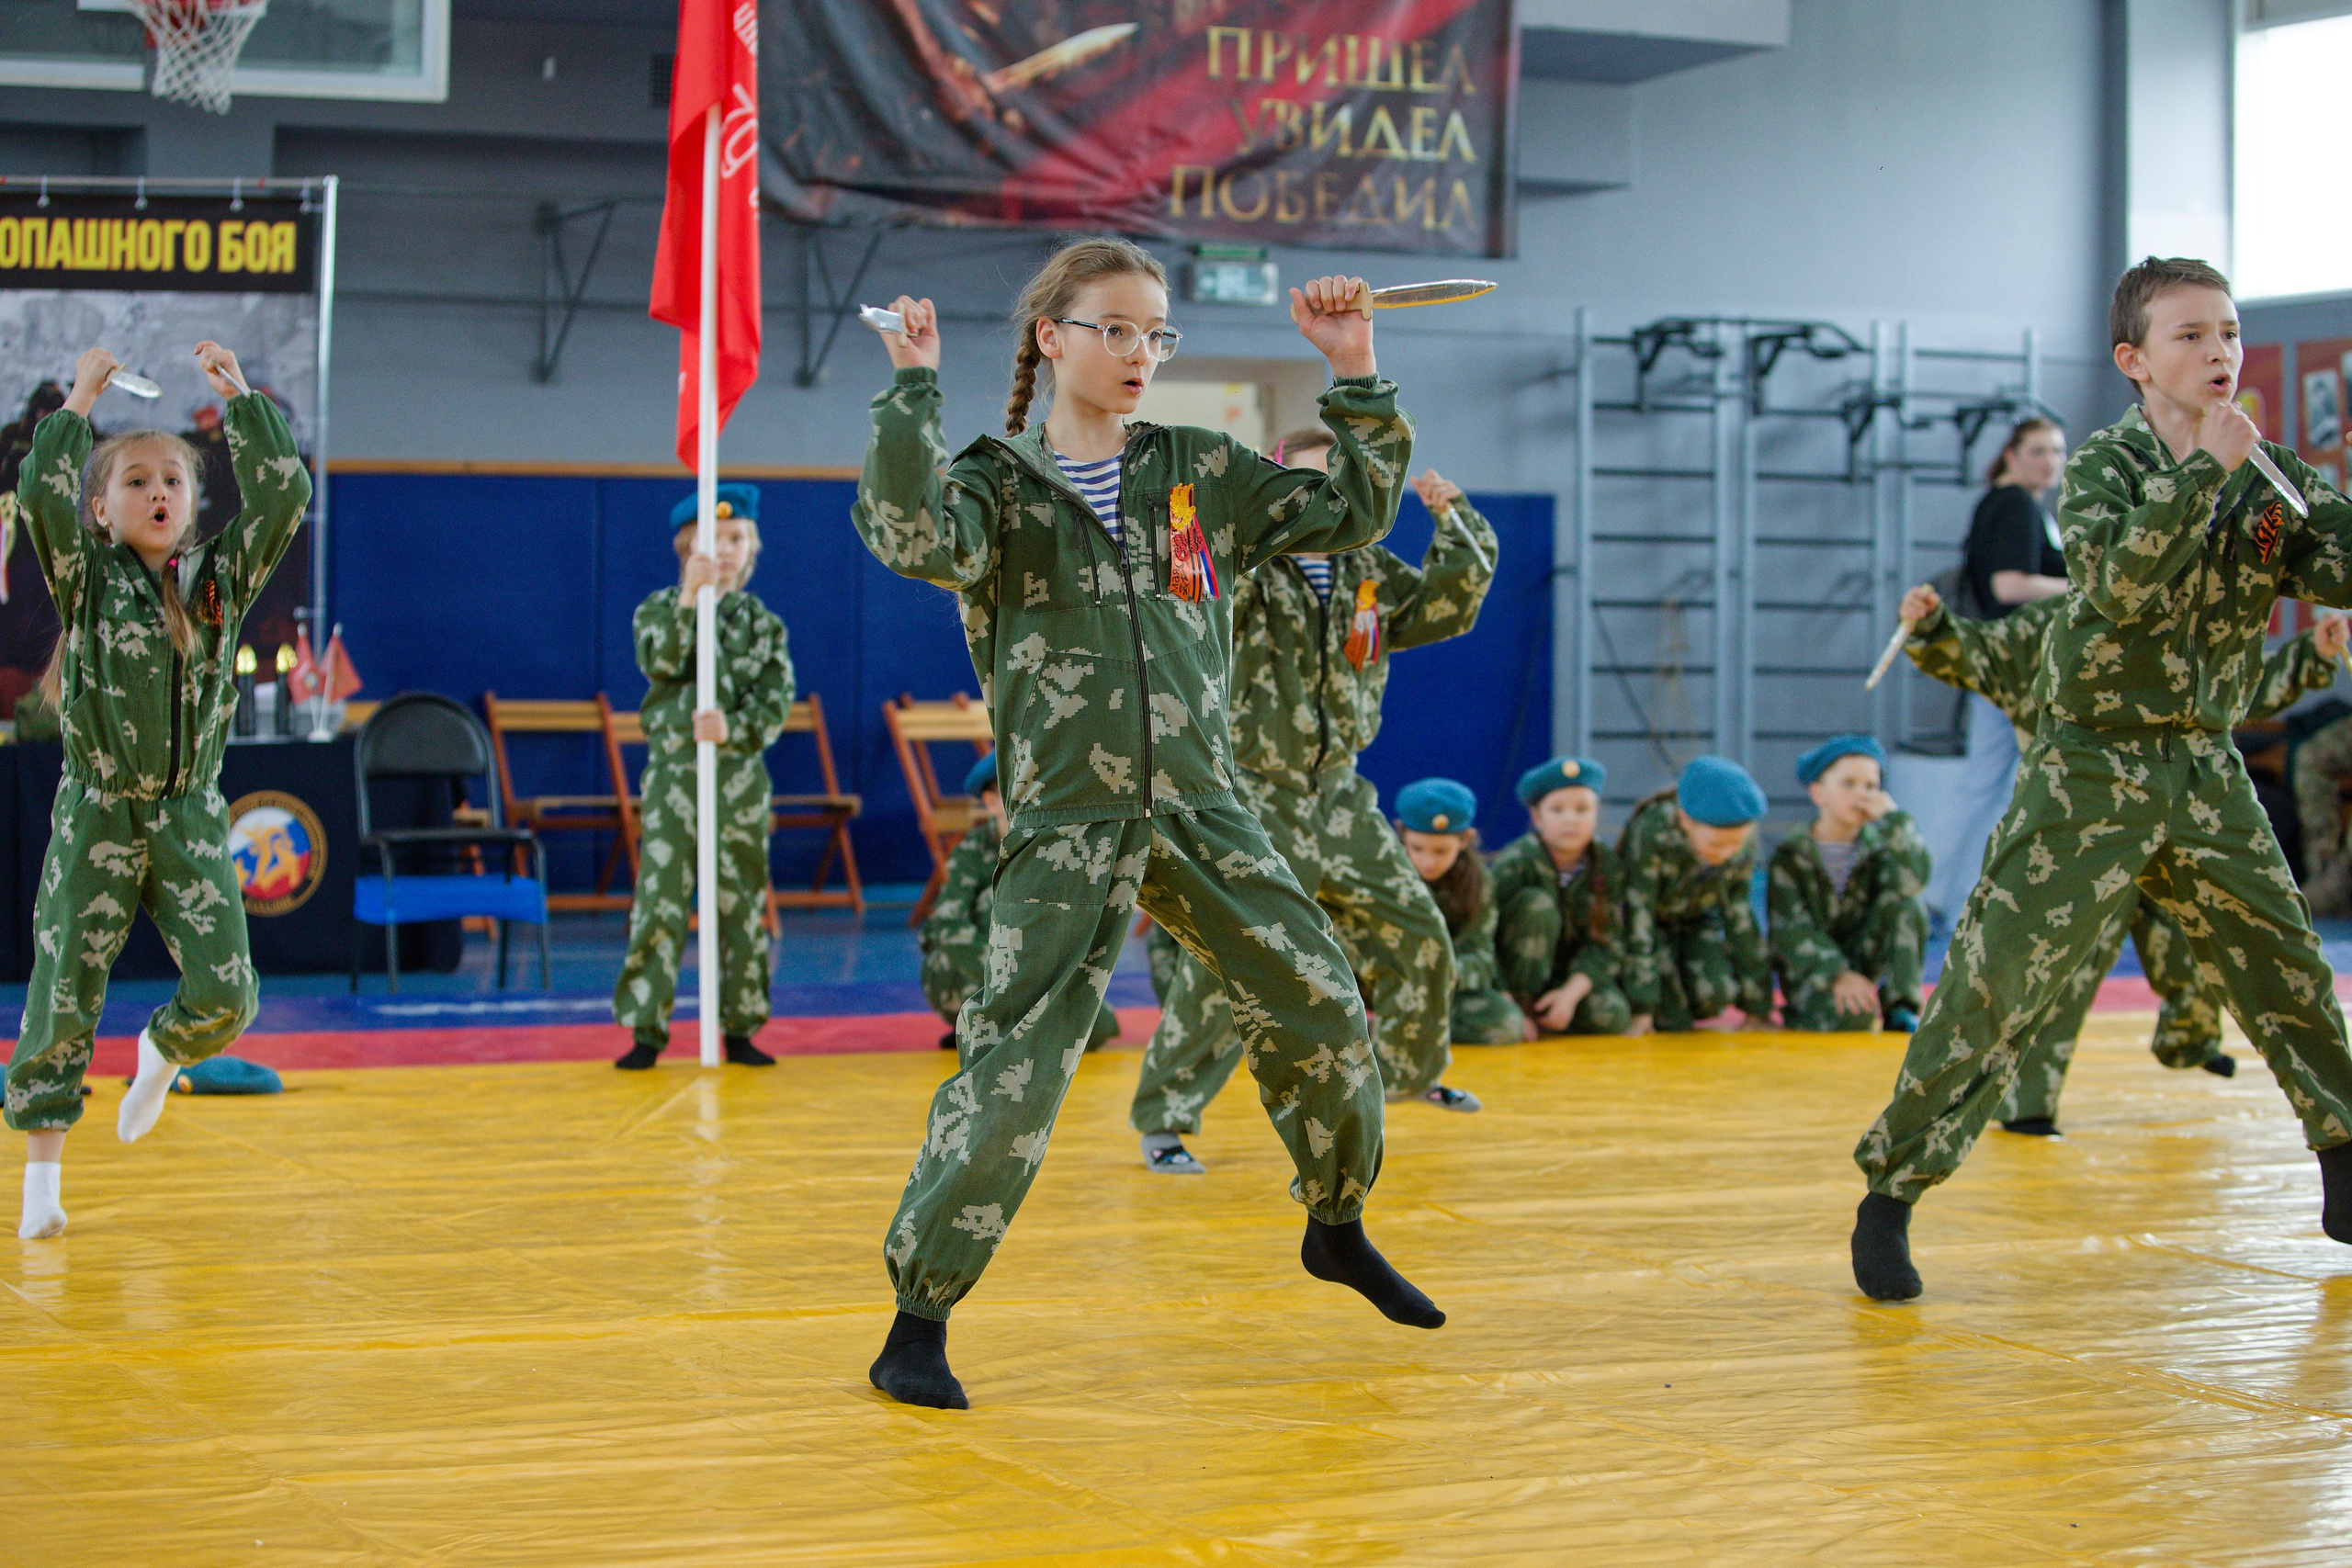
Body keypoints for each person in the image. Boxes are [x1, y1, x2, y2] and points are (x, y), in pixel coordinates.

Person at [852, 238, 1439, 1410]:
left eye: (1153, 334)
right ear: (1050, 338)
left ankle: (1334, 1219)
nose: (1137, 354)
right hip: (1068, 818)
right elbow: (910, 537)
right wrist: (913, 383)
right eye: (1113, 329)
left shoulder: (1199, 471)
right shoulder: (992, 484)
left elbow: (1354, 512)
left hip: (1206, 802)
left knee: (1318, 995)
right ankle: (916, 1323)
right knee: (1015, 1065)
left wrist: (1352, 362)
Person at [1850, 257, 2352, 1303]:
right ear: (2133, 360)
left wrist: (2322, 494)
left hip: (2202, 759)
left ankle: (2342, 1163)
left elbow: (2336, 570)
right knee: (1997, 980)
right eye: (2189, 337)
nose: (2218, 354)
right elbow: (2118, 585)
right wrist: (2203, 473)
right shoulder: (2106, 467)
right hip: (2091, 760)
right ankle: (1890, 1193)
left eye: (2228, 334)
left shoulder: (2271, 472)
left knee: (2285, 969)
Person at [6, 343, 312, 1239]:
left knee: (229, 995)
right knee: (62, 993)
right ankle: (41, 1188)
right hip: (98, 808)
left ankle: (160, 1055)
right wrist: (84, 398)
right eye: (135, 482)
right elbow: (37, 495)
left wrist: (242, 400)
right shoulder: (87, 579)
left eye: (172, 481)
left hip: (187, 813)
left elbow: (285, 496)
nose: (158, 495)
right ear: (100, 510)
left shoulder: (216, 583)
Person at [1127, 443, 1497, 1172]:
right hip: (1254, 791)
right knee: (1235, 960)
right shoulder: (1249, 565)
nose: (1329, 490)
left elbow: (1447, 608)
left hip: (1341, 792)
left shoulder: (1368, 570)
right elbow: (1182, 595)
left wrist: (1456, 524)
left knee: (1419, 932)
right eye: (1310, 475)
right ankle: (1165, 1118)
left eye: (1342, 476)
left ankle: (1407, 1073)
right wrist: (1193, 508)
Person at [1895, 581, 2347, 1131]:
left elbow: (2237, 688)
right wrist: (1932, 624)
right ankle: (2029, 1104)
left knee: (2203, 938)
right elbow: (1976, 653)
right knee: (2060, 968)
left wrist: (2310, 655)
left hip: (2176, 813)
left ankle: (2190, 1039)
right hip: (2078, 828)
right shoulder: (2050, 622)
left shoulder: (2180, 614)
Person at [610, 483, 795, 1070]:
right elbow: (660, 660)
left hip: (737, 782)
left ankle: (740, 1026)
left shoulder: (762, 625)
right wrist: (693, 597)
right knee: (660, 899)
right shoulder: (661, 608)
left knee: (740, 902)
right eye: (716, 539)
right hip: (675, 780)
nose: (729, 549)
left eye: (739, 538)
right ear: (688, 545)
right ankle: (645, 1027)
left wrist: (732, 727)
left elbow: (775, 700)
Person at [1926, 417, 2070, 924]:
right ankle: (1959, 895)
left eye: (2056, 451)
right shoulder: (2016, 506)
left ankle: (1946, 894)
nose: (2049, 461)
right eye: (2037, 451)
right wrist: (2089, 586)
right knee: (2009, 786)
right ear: (2011, 455)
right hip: (2019, 663)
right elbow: (2009, 586)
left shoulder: (2000, 503)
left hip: (2002, 661)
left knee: (1985, 786)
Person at [921, 751, 1116, 1054]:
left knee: (1099, 1029)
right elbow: (948, 926)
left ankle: (1009, 1025)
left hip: (1037, 974)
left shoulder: (1054, 848)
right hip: (977, 972)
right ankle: (992, 1019)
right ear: (990, 802)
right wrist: (1013, 976)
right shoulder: (971, 852)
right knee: (996, 904)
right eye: (1017, 792)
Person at [1767, 736, 1928, 1033]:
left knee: (1907, 902)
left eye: (1871, 786)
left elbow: (1915, 880)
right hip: (1815, 974)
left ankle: (1901, 1007)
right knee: (1852, 1020)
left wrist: (1896, 821)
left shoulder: (1881, 848)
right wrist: (1838, 974)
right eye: (1848, 784)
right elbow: (1791, 930)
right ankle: (1807, 1012)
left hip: (1862, 963)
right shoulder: (1791, 855)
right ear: (1818, 794)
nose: (1862, 795)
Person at [1618, 756, 1773, 1035]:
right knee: (1671, 1023)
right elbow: (1637, 916)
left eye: (1735, 845)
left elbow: (1740, 920)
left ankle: (1680, 990)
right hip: (1651, 926)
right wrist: (1641, 1008)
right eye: (1716, 844)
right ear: (1685, 820)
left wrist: (1757, 1010)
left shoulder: (1739, 838)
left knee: (1717, 994)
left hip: (1694, 922)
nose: (1727, 853)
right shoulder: (1652, 831)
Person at [1489, 758, 1631, 1037]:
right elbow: (1484, 935)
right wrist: (1508, 1002)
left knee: (1612, 1015)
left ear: (1596, 813)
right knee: (1537, 905)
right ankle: (1523, 1011)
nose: (1571, 819)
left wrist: (1570, 994)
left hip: (1566, 978)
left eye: (1582, 809)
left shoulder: (1607, 865)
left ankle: (1553, 1013)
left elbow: (1607, 942)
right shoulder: (1517, 861)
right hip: (1513, 980)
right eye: (1557, 809)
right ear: (1537, 817)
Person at [1393, 777, 1525, 1045]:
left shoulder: (1477, 882)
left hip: (1445, 989)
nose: (1428, 861)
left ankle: (1397, 1031)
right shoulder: (1382, 873)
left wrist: (1446, 973)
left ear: (1464, 840)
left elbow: (1480, 954)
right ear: (1402, 835)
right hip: (1387, 985)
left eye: (1441, 850)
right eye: (1417, 848)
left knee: (1507, 1023)